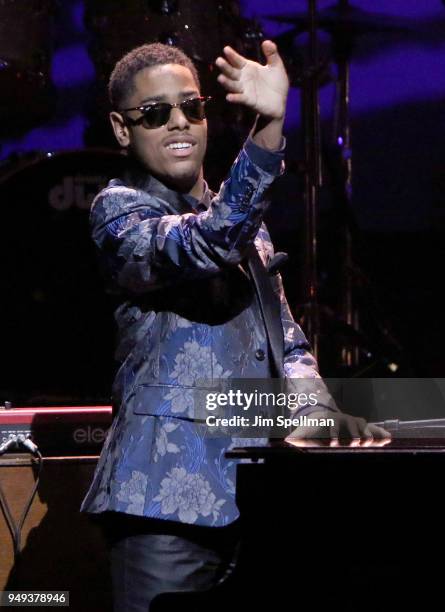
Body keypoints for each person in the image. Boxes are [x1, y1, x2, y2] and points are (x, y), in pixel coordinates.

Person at [80, 39, 390, 610]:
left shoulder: (243, 224)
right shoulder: (119, 211)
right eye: (155, 114)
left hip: (257, 497)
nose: (179, 123)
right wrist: (268, 129)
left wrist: (317, 412)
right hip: (163, 511)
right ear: (123, 131)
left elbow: (287, 340)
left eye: (191, 107)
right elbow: (207, 241)